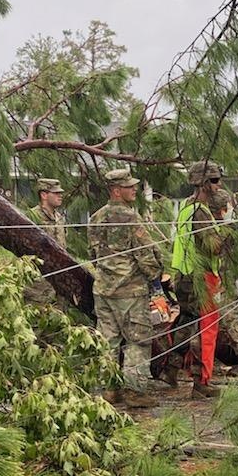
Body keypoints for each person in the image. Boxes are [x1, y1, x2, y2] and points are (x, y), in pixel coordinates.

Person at [87, 168, 164, 408]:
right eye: (130, 186)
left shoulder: (96, 217)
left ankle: (109, 390)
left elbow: (93, 253)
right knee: (138, 340)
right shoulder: (131, 217)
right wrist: (156, 280)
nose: (135, 189)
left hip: (103, 289)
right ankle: (135, 390)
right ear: (116, 190)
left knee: (108, 340)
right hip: (130, 291)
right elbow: (145, 254)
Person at [171, 161, 229, 399]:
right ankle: (201, 382)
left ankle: (170, 369)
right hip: (200, 277)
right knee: (203, 330)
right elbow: (212, 247)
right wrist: (229, 235)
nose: (218, 185)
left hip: (184, 275)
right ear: (204, 184)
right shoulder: (201, 212)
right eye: (215, 181)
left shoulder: (186, 206)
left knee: (186, 325)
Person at [207, 189, 238, 376]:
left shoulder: (227, 230)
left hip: (224, 280)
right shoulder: (215, 227)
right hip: (217, 279)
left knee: (228, 316)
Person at [24, 178, 66, 306]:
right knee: (37, 321)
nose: (60, 196)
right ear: (44, 195)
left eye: (60, 193)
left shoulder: (60, 218)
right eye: (56, 193)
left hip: (59, 281)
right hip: (39, 283)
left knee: (59, 320)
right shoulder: (31, 217)